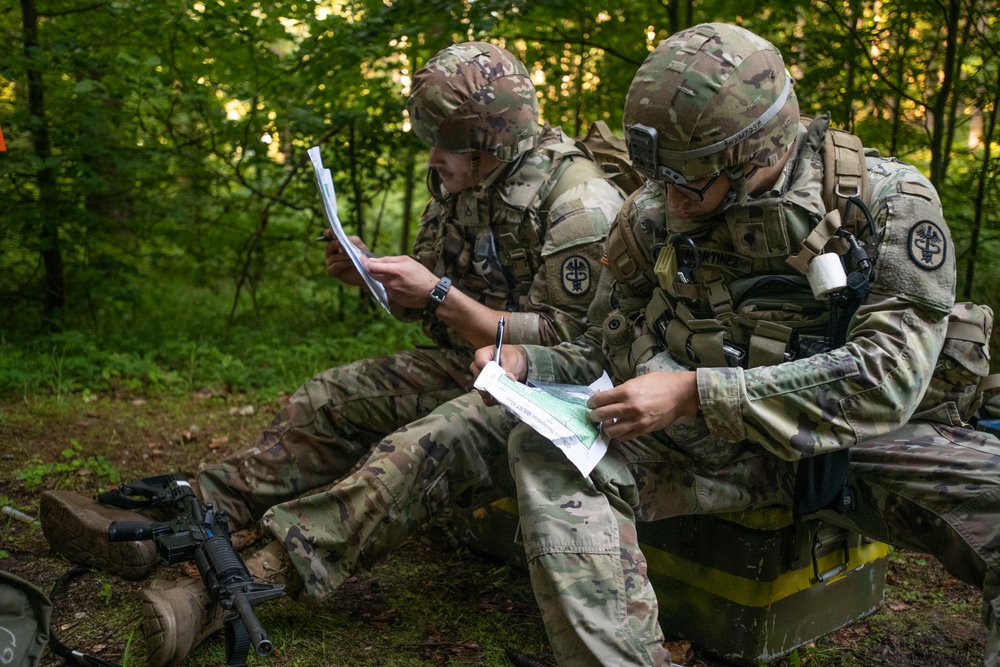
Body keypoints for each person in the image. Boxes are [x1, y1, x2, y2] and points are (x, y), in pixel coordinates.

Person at [40, 41, 625, 666]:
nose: (432, 157)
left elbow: (577, 353)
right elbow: (441, 308)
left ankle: (242, 581)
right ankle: (187, 516)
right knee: (332, 396)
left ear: (492, 143)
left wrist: (444, 298)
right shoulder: (463, 184)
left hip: (564, 404)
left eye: (445, 144)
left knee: (422, 446)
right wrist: (381, 279)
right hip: (484, 371)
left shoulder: (580, 203)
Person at [471, 22, 1000, 667]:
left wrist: (696, 393)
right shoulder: (652, 215)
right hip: (716, 453)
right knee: (549, 450)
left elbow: (885, 379)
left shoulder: (884, 202)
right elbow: (604, 347)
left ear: (753, 155)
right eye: (657, 179)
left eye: (687, 184)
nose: (667, 201)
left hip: (854, 446)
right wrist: (532, 361)